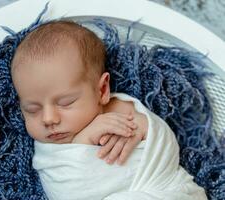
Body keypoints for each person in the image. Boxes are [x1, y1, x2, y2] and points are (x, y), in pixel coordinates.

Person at [10, 20, 207, 200]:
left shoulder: (122, 109)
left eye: (66, 102)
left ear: (102, 89)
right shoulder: (50, 151)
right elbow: (67, 192)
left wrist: (145, 127)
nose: (48, 118)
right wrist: (83, 140)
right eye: (32, 109)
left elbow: (166, 149)